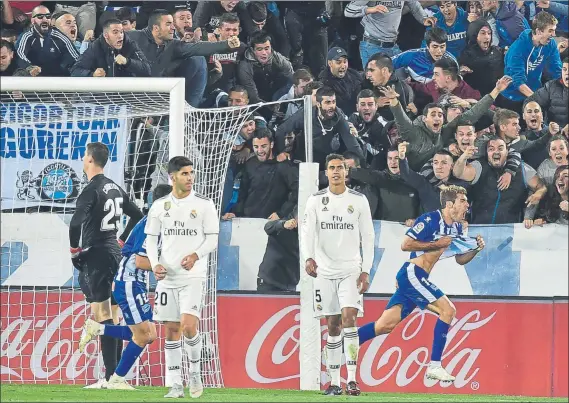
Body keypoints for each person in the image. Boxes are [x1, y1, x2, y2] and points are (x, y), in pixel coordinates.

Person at [357, 185, 486, 382]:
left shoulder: (457, 227)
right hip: (412, 274)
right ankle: (434, 365)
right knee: (448, 311)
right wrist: (438, 244)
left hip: (417, 278)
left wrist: (475, 249)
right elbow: (405, 244)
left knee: (384, 326)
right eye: (462, 201)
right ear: (450, 204)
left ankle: (339, 346)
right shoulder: (430, 220)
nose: (467, 205)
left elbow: (460, 259)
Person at [78, 184, 172, 390]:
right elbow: (139, 262)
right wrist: (172, 269)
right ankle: (117, 379)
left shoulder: (158, 222)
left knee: (148, 334)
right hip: (129, 282)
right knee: (144, 335)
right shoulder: (153, 225)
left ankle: (98, 328)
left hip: (135, 283)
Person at [68, 142, 144, 389]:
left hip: (97, 255)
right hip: (114, 253)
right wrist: (122, 238)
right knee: (113, 315)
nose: (82, 160)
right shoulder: (114, 187)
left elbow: (75, 224)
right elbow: (138, 216)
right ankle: (117, 376)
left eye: (83, 156)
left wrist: (74, 251)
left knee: (101, 316)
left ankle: (111, 377)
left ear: (89, 159)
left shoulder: (91, 190)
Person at [145, 156, 220, 399]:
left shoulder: (204, 204)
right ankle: (175, 384)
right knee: (172, 330)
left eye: (191, 173)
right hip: (168, 277)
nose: (190, 178)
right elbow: (150, 239)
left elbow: (213, 238)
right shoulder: (159, 206)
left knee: (189, 327)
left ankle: (196, 373)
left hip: (193, 276)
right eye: (185, 174)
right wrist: (155, 264)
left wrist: (196, 255)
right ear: (172, 177)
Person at [301, 154, 374, 396]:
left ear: (346, 172)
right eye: (331, 168)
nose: (335, 172)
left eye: (340, 168)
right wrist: (308, 258)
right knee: (332, 325)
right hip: (323, 271)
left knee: (349, 319)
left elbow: (369, 237)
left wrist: (365, 270)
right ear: (326, 172)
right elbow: (307, 233)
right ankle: (334, 382)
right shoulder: (315, 200)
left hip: (350, 269)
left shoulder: (359, 200)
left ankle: (352, 379)